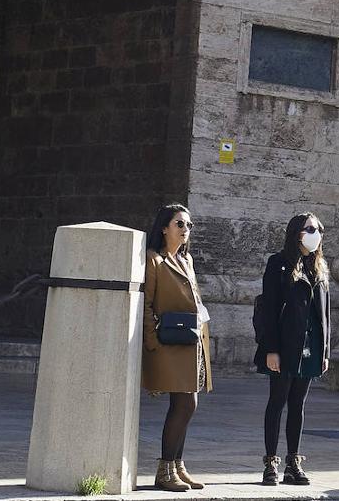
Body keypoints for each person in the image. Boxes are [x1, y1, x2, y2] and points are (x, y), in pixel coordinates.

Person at [254, 212, 331, 486]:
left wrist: (325, 351)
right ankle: (270, 462)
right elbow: (270, 309)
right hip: (284, 345)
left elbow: (325, 314)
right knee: (278, 400)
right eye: (311, 228)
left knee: (298, 404)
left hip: (310, 346)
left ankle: (293, 462)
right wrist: (271, 349)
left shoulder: (319, 267)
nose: (316, 233)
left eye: (319, 229)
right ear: (297, 232)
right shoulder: (278, 264)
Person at [142, 204, 213, 492]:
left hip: (191, 342)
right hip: (168, 342)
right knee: (184, 404)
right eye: (179, 224)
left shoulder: (187, 260)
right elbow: (146, 304)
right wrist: (152, 341)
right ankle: (164, 470)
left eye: (188, 225)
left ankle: (177, 466)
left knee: (187, 404)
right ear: (164, 228)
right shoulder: (154, 260)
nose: (186, 230)